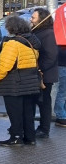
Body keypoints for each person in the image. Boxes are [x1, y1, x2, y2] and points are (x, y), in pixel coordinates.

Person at [0, 16, 41, 147]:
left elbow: (5, 66)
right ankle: (30, 137)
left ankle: (16, 137)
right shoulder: (31, 41)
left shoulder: (12, 44)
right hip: (30, 81)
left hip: (14, 83)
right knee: (27, 111)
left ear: (11, 28)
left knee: (15, 112)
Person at [30, 8, 58, 138]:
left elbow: (51, 56)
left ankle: (44, 129)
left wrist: (40, 69)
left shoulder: (48, 34)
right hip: (36, 73)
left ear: (41, 20)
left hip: (44, 75)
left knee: (44, 103)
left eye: (34, 17)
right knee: (34, 101)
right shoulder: (36, 31)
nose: (31, 19)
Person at [55, 45, 66, 128]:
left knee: (63, 92)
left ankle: (62, 115)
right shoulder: (60, 37)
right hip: (62, 65)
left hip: (62, 65)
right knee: (62, 92)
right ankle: (61, 116)